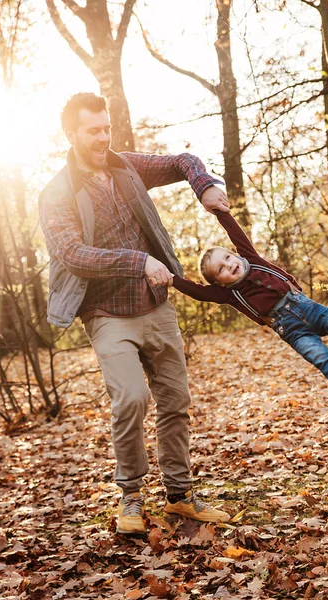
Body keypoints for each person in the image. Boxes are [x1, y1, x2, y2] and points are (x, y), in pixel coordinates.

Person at [39, 92, 231, 535]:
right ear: (71, 134)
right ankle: (130, 496)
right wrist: (138, 261)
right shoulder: (56, 193)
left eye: (106, 128)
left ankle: (181, 496)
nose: (103, 137)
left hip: (156, 306)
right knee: (131, 397)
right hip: (107, 314)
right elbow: (72, 254)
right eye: (93, 130)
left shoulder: (125, 165)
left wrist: (204, 185)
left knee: (175, 401)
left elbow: (184, 159)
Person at [171, 209, 328, 407]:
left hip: (309, 308)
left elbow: (235, 232)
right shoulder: (228, 294)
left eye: (227, 258)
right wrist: (172, 279)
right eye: (221, 270)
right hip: (290, 328)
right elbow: (197, 291)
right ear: (218, 282)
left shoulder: (252, 259)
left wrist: (219, 212)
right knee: (321, 357)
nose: (229, 265)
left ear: (234, 254)